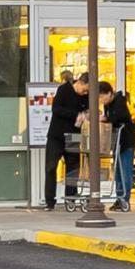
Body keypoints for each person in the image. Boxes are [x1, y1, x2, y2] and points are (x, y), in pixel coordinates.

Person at [41, 69, 90, 210]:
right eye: (85, 90)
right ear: (80, 82)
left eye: (87, 92)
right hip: (56, 135)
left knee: (73, 168)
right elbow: (56, 109)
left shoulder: (86, 97)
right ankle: (50, 200)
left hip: (74, 134)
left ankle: (71, 197)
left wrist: (85, 114)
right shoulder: (63, 90)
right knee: (51, 167)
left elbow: (87, 110)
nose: (85, 94)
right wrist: (76, 115)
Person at [102, 79, 135, 211]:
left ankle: (125, 199)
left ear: (109, 93)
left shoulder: (119, 101)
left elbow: (118, 117)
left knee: (125, 171)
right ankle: (119, 198)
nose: (101, 100)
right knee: (117, 171)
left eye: (102, 96)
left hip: (126, 141)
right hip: (117, 142)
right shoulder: (108, 105)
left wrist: (105, 119)